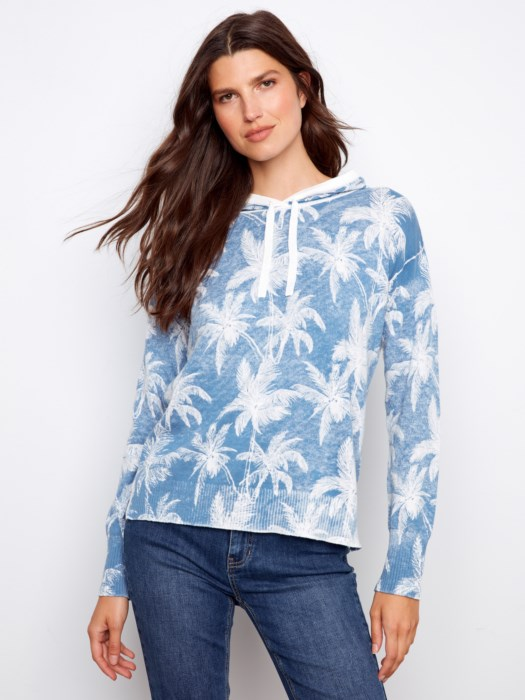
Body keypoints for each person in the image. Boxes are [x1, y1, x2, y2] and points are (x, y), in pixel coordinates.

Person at [70, 9, 440, 699]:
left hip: (305, 543)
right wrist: (114, 573)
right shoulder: (195, 222)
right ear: (212, 111)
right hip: (170, 533)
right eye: (227, 95)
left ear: (303, 86)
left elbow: (414, 410)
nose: (250, 111)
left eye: (265, 83)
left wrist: (404, 575)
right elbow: (153, 402)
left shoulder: (383, 220)